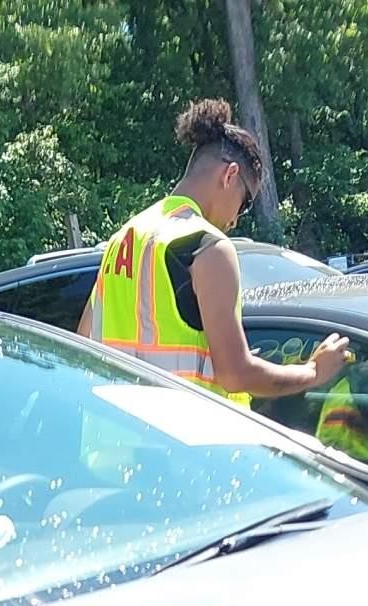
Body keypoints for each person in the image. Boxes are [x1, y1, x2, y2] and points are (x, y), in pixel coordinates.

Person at [79, 99, 348, 407]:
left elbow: (83, 342)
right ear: (229, 175)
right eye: (245, 202)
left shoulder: (123, 239)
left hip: (112, 441)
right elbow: (234, 375)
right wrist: (313, 371)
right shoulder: (208, 246)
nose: (235, 219)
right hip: (182, 445)